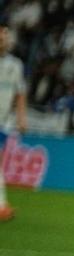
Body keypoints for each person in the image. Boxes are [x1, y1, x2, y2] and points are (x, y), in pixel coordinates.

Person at [0, 23, 29, 222]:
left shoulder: (15, 65)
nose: (3, 39)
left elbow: (20, 94)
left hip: (3, 121)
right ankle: (2, 206)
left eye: (5, 35)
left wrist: (21, 117)